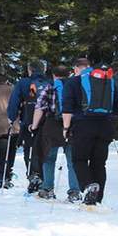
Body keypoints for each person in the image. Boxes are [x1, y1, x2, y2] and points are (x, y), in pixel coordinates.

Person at [62, 58, 118, 205]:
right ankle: (97, 198)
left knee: (79, 159)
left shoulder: (73, 82)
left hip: (83, 126)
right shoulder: (110, 81)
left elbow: (67, 108)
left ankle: (89, 187)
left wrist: (66, 128)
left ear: (77, 69)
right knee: (99, 163)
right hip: (105, 126)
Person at [30, 65, 80, 202]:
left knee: (49, 158)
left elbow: (40, 107)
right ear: (69, 74)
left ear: (53, 75)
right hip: (71, 125)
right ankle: (74, 192)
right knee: (72, 161)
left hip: (52, 126)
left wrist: (34, 126)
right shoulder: (75, 86)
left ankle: (47, 189)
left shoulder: (49, 87)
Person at [7, 60, 46, 193]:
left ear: (30, 70)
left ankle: (33, 175)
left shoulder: (23, 83)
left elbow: (14, 101)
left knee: (29, 149)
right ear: (44, 70)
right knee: (45, 150)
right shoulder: (50, 82)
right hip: (47, 121)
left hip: (28, 120)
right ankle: (44, 178)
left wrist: (11, 117)